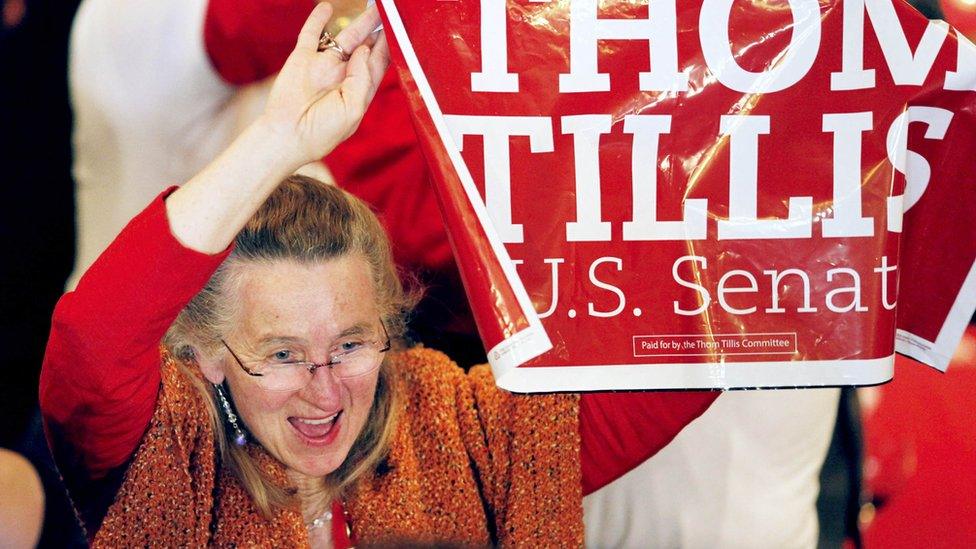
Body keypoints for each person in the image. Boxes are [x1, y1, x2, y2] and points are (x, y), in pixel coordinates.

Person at [41, 5, 716, 546]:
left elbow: (692, 343)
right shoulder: (165, 452)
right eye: (283, 354)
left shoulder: (467, 432)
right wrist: (280, 138)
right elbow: (91, 344)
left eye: (351, 344)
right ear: (210, 355)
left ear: (391, 331)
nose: (325, 389)